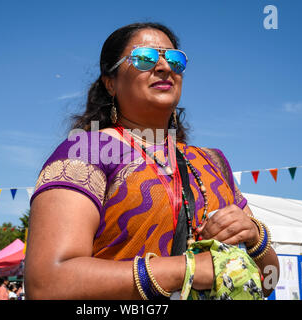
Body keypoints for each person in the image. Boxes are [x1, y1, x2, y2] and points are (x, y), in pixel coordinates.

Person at [25, 22, 280, 300]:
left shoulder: (212, 162)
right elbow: (47, 283)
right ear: (110, 83)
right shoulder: (86, 151)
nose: (164, 67)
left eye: (174, 60)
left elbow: (267, 283)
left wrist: (255, 237)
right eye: (145, 58)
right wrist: (187, 270)